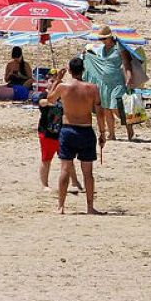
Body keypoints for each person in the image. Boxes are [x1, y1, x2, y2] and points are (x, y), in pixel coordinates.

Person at [49, 57, 102, 215]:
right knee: (88, 172)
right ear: (83, 71)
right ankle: (90, 207)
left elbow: (50, 99)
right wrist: (103, 133)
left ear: (70, 71)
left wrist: (57, 79)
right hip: (86, 130)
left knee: (65, 169)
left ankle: (61, 206)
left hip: (68, 130)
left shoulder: (63, 87)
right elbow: (100, 112)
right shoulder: (92, 88)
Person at [83, 25, 138, 146]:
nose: (102, 41)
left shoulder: (119, 48)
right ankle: (112, 133)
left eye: (104, 39)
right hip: (104, 83)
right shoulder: (102, 49)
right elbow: (99, 63)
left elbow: (126, 64)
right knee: (106, 109)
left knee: (115, 107)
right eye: (101, 39)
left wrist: (129, 78)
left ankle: (129, 126)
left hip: (117, 82)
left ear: (110, 37)